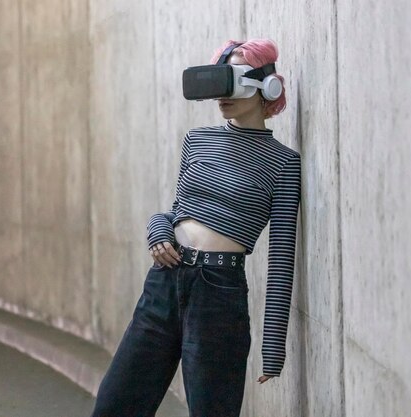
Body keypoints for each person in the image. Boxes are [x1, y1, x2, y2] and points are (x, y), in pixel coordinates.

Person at [90, 38, 301, 417]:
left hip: (218, 295)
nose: (222, 95)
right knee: (114, 405)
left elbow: (282, 260)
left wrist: (273, 349)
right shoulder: (197, 141)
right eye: (217, 83)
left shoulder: (283, 163)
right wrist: (157, 231)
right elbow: (177, 212)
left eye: (232, 82)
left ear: (267, 87)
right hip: (164, 282)